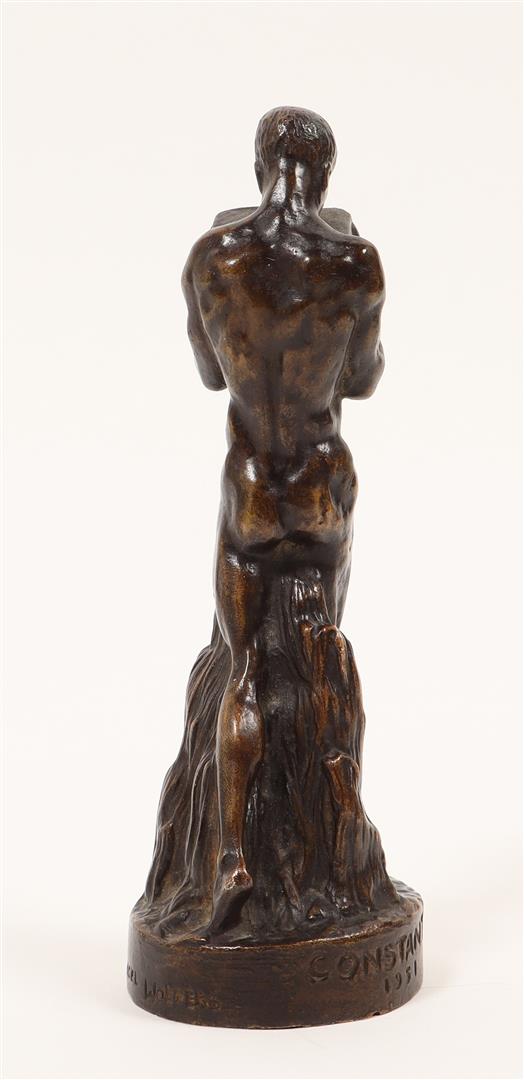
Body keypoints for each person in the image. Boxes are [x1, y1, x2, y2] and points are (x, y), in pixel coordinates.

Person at [182, 106, 385, 930]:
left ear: (260, 165)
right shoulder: (353, 263)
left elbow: (209, 373)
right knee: (322, 652)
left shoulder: (215, 258)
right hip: (320, 487)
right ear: (325, 172)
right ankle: (330, 835)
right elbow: (363, 379)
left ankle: (234, 853)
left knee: (243, 671)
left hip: (254, 491)